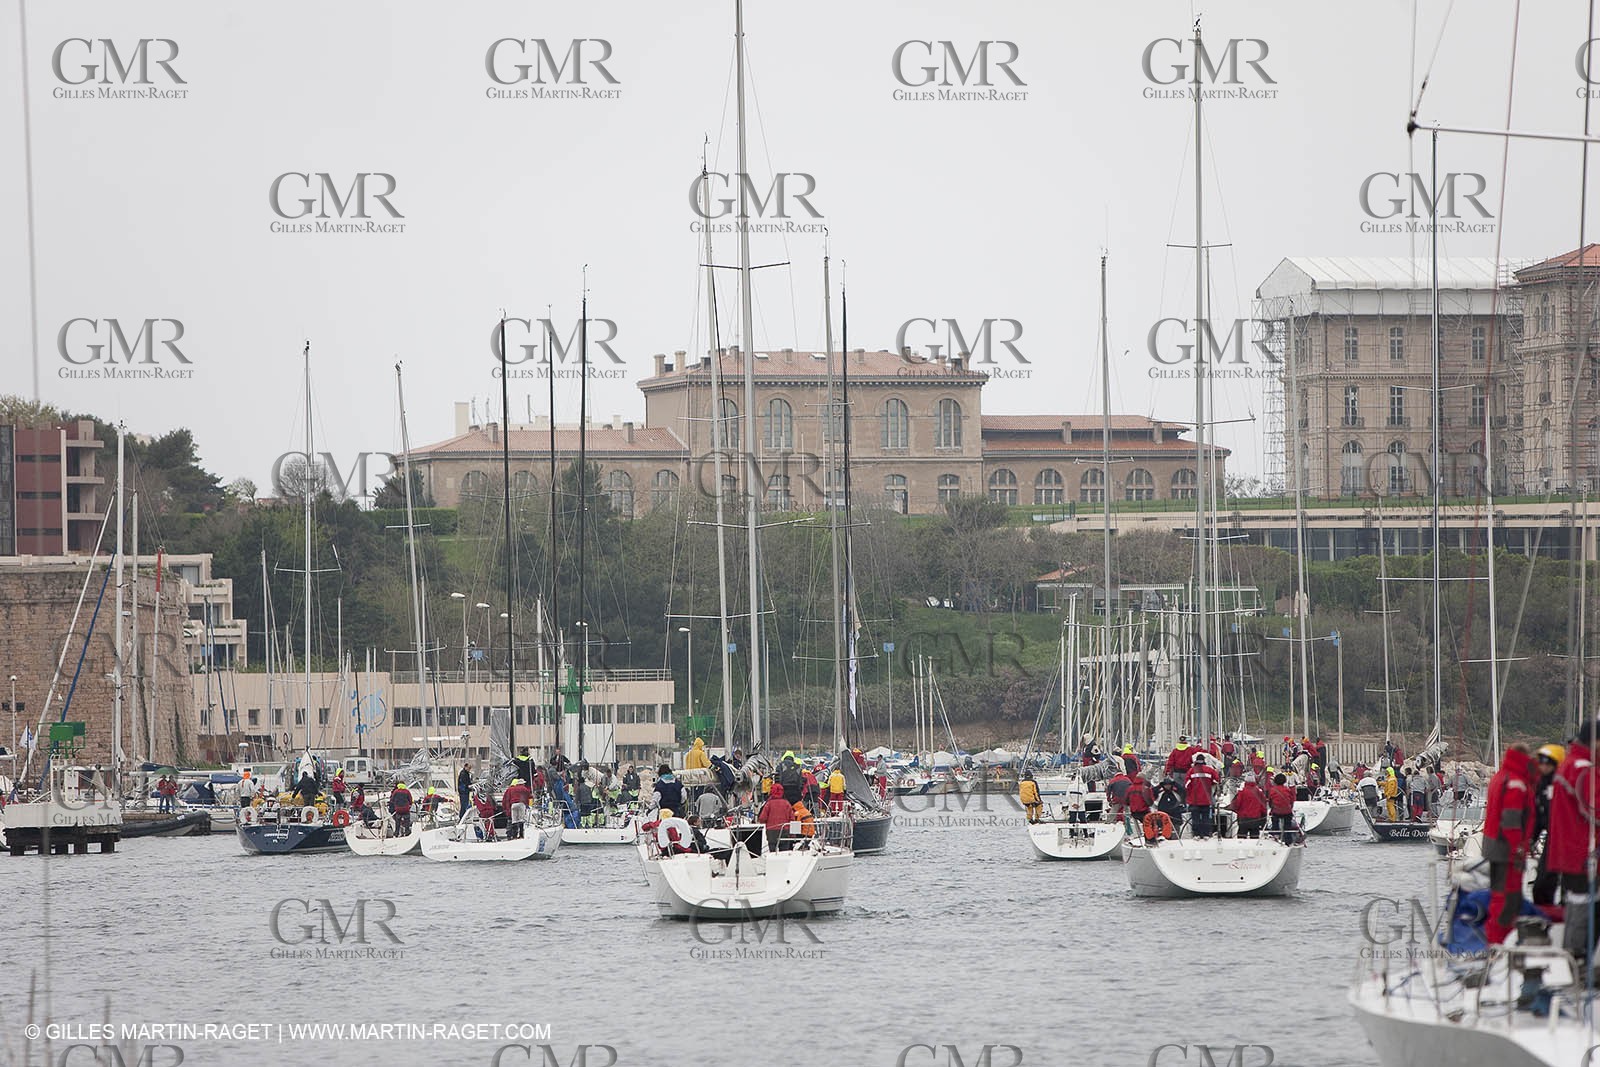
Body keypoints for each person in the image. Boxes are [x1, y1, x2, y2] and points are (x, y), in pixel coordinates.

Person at [1548, 722, 1598, 963]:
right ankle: (1577, 959)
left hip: (1569, 851)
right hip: (1583, 853)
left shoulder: (1569, 765)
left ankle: (1573, 957)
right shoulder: (1583, 769)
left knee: (1578, 902)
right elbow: (1595, 810)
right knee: (1584, 903)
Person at [1481, 742, 1537, 944]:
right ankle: (1499, 940)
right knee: (1507, 898)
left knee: (1497, 894)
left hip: (1493, 846)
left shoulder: (1499, 777)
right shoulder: (1516, 782)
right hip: (1507, 849)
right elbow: (1511, 820)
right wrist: (1518, 849)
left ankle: (1494, 938)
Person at [1531, 744, 1564, 908]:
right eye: (1541, 762)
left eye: (1548, 763)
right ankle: (1544, 915)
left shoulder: (1564, 785)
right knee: (1541, 885)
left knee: (1568, 887)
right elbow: (1539, 816)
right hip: (1551, 839)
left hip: (1567, 840)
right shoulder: (1540, 785)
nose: (1543, 766)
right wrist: (1531, 839)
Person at [1185, 754, 1222, 838]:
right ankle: (1206, 834)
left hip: (1194, 800)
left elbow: (1187, 785)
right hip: (1206, 799)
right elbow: (1216, 780)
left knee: (1195, 818)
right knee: (1206, 817)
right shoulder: (1210, 770)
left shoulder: (1191, 770)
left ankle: (1197, 834)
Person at [758, 782, 794, 853]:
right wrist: (793, 834)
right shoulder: (787, 803)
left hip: (771, 832)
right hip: (784, 831)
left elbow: (762, 819)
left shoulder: (769, 804)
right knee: (784, 853)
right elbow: (792, 819)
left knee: (773, 853)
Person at [1267, 773, 1298, 844]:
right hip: (1287, 811)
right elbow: (1291, 800)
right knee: (1287, 825)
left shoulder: (1272, 790)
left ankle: (1275, 835)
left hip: (1276, 811)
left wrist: (1272, 808)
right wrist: (1290, 808)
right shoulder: (1287, 790)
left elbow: (1270, 802)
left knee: (1275, 822)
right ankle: (1288, 840)